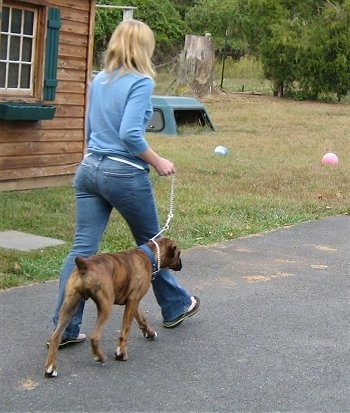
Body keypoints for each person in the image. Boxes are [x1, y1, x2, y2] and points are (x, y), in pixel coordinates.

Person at [49, 19, 199, 347]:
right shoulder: (140, 82)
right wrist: (159, 162)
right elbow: (130, 134)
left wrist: (97, 163)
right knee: (153, 245)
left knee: (81, 251)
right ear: (144, 48)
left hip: (88, 169)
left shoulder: (99, 80)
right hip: (123, 173)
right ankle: (175, 306)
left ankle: (65, 329)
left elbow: (89, 133)